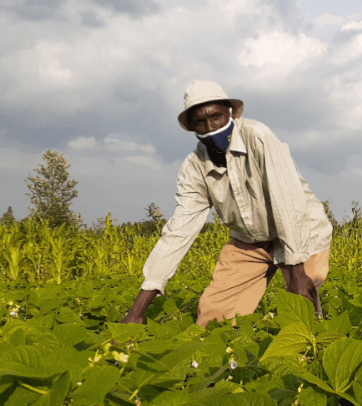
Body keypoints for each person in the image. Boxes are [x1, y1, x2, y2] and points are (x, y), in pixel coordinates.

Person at [121, 80, 333, 327]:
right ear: (191, 127)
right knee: (214, 321)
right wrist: (137, 311)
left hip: (302, 233)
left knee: (300, 309)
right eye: (200, 122)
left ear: (232, 113)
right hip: (251, 242)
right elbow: (178, 232)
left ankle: (310, 351)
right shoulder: (195, 166)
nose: (211, 127)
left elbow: (287, 202)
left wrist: (296, 272)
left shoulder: (258, 137)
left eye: (216, 116)